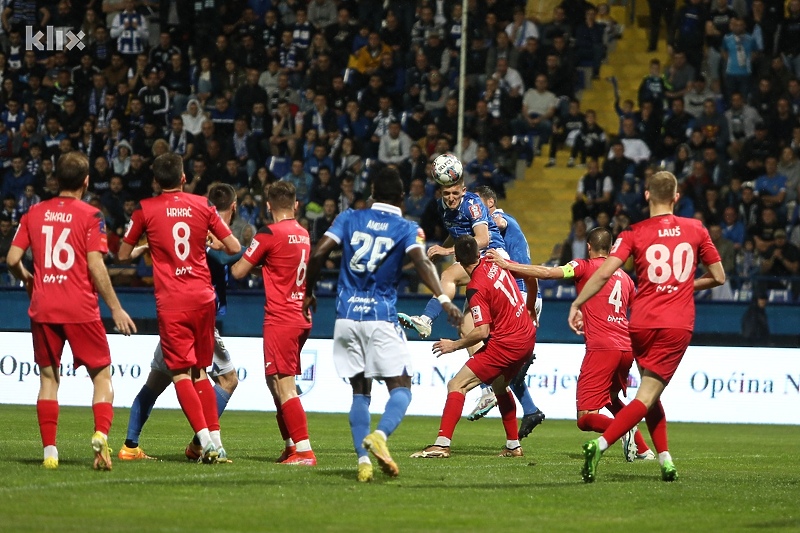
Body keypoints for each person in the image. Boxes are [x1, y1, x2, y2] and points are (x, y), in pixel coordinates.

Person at [303, 167, 462, 482]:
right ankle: (380, 436)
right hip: (380, 317)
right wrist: (444, 301)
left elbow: (319, 252)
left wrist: (307, 291)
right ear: (402, 197)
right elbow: (421, 262)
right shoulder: (406, 227)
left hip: (347, 316)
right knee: (401, 388)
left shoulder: (349, 217)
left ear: (372, 193)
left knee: (360, 393)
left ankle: (363, 462)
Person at [569, 171, 725, 482]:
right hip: (675, 324)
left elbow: (602, 275)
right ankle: (601, 445)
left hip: (639, 324)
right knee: (647, 395)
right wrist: (683, 286)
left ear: (646, 196)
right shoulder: (695, 229)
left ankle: (665, 460)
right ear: (676, 197)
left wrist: (576, 304)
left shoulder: (633, 232)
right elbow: (719, 276)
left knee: (650, 395)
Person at [6, 152, 137, 470]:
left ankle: (50, 452)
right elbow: (95, 264)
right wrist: (116, 308)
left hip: (44, 307)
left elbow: (11, 259)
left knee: (49, 379)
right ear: (86, 181)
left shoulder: (34, 213)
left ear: (55, 180)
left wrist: (26, 278)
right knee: (102, 376)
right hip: (80, 308)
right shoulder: (91, 215)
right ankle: (100, 438)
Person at [488, 227, 656, 462]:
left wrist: (509, 265)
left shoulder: (583, 266)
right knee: (612, 399)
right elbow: (634, 313)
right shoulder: (626, 278)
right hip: (625, 349)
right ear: (610, 249)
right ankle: (643, 449)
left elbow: (546, 273)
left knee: (585, 418)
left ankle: (622, 431)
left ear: (589, 247)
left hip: (602, 348)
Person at [118, 153, 242, 464]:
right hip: (202, 299)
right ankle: (212, 443)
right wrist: (208, 243)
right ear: (184, 178)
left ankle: (205, 442)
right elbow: (235, 248)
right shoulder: (202, 205)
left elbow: (121, 254)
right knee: (198, 373)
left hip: (172, 302)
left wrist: (146, 246)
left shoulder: (145, 209)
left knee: (179, 374)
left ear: (156, 182)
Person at [411, 235, 537, 459]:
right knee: (500, 387)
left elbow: (482, 332)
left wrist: (454, 345)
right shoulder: (494, 260)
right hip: (527, 338)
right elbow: (530, 275)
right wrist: (529, 308)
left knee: (456, 385)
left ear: (457, 260)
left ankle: (441, 444)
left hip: (506, 344)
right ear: (479, 253)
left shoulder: (476, 287)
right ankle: (513, 446)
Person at [230, 181, 317, 466]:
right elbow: (281, 264)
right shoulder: (303, 233)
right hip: (302, 316)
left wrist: (229, 254)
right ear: (295, 205)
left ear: (268, 206)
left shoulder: (268, 233)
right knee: (274, 382)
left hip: (281, 317)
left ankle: (304, 450)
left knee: (284, 385)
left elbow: (240, 271)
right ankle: (291, 445)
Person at [464, 186, 545, 437]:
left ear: (490, 202)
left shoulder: (500, 218)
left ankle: (486, 388)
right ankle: (530, 410)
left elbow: (498, 222)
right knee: (509, 369)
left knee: (475, 331)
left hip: (517, 294)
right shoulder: (506, 224)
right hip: (525, 295)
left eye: (478, 203)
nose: (473, 209)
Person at [398, 166, 506, 340]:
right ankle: (481, 366)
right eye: (446, 193)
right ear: (440, 192)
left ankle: (426, 319)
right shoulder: (442, 207)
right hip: (471, 259)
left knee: (448, 275)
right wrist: (439, 250)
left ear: (463, 190)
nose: (450, 198)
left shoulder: (473, 205)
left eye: (455, 193)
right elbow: (455, 232)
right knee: (466, 329)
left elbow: (483, 239)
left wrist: (447, 251)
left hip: (493, 255)